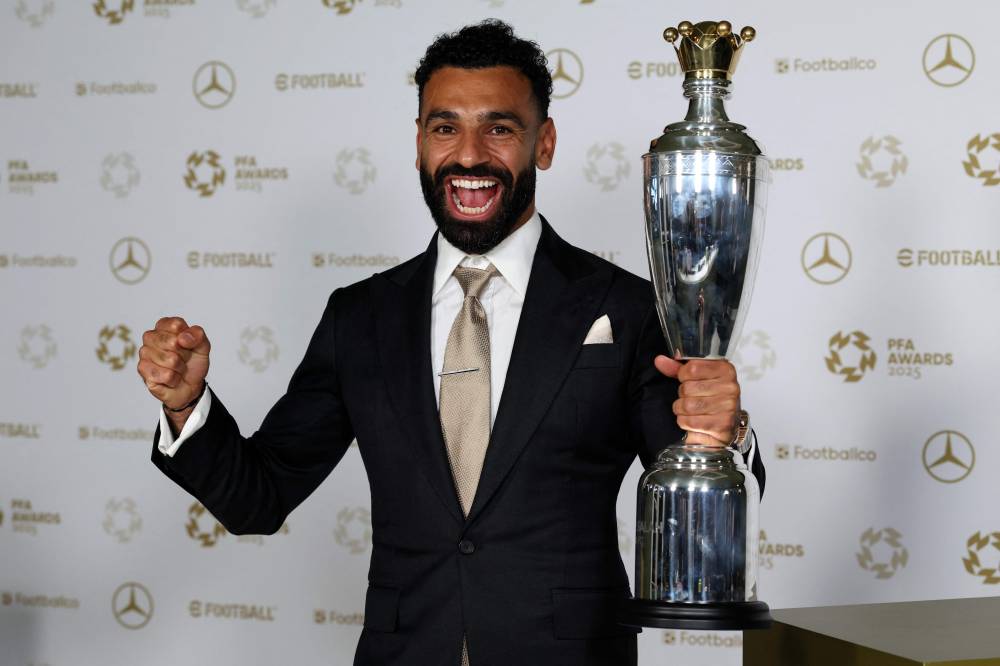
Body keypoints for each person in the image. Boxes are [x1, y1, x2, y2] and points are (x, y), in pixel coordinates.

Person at [137, 20, 764, 666]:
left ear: (543, 143)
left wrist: (726, 431)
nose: (468, 155)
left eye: (498, 128)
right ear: (418, 144)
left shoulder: (627, 308)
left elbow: (691, 484)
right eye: (445, 128)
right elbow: (258, 498)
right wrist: (187, 407)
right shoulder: (360, 317)